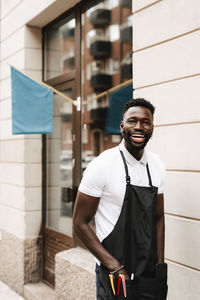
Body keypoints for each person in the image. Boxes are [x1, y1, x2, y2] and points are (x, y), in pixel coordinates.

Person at [73, 98, 168, 300]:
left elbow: (158, 218)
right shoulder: (103, 164)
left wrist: (160, 265)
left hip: (149, 274)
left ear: (152, 127)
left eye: (145, 122)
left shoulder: (157, 165)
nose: (139, 127)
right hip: (115, 275)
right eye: (132, 121)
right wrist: (114, 266)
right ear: (122, 126)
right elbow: (79, 223)